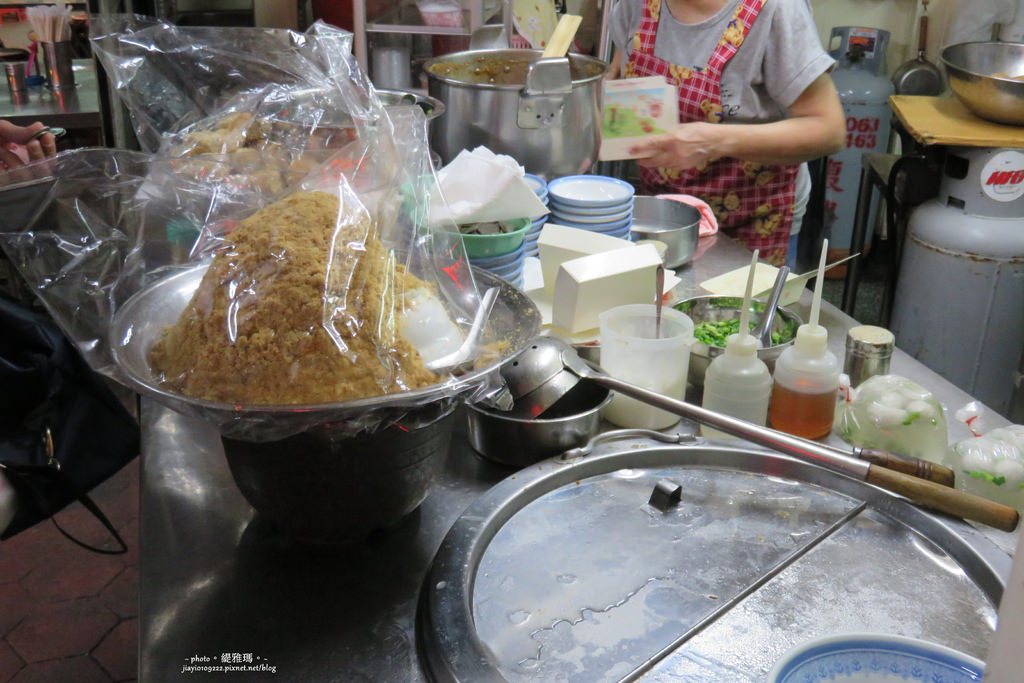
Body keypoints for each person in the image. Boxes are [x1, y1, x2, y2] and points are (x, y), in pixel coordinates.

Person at [607, 0, 845, 267]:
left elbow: (829, 129)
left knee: (736, 307)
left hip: (754, 217)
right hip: (666, 216)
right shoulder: (634, 5)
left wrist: (713, 142)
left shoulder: (777, 10)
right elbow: (624, 76)